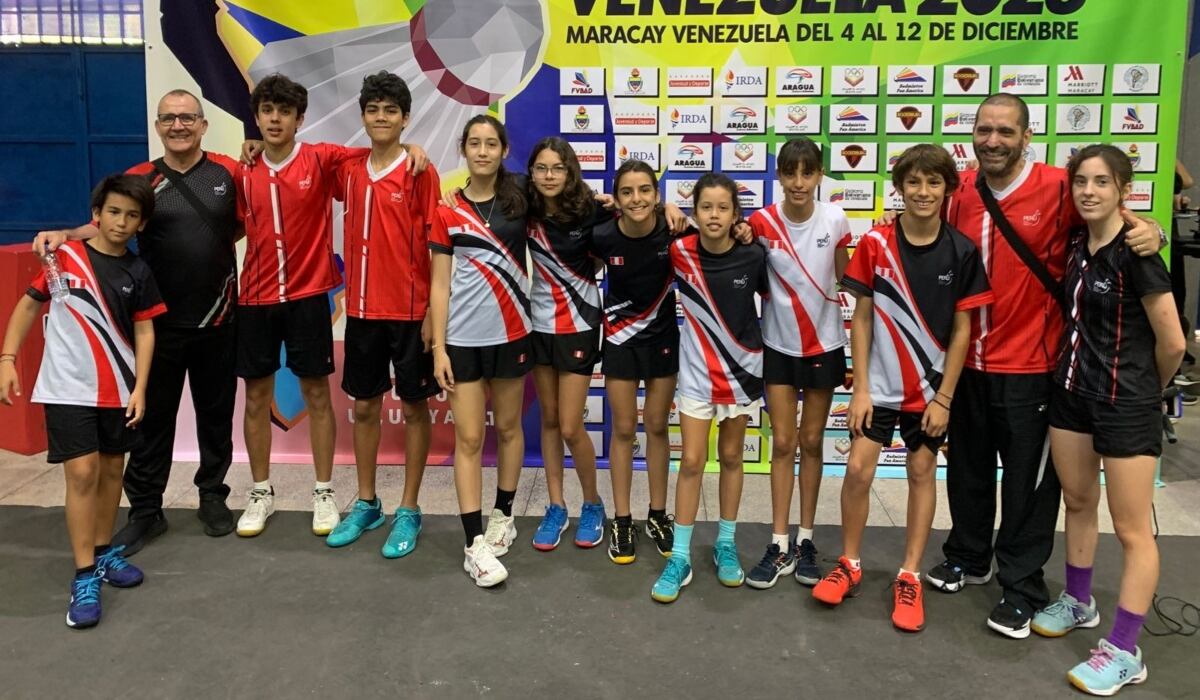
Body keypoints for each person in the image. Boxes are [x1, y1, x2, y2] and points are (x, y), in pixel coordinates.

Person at [918, 93, 1164, 638]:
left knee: (1029, 487)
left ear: (1027, 136)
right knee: (968, 469)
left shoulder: (1058, 186)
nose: (994, 141)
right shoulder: (960, 191)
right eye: (984, 130)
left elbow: (1111, 218)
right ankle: (969, 553)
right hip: (967, 361)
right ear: (972, 134)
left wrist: (1153, 230)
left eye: (1006, 131)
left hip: (1032, 364)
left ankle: (1024, 585)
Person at [33, 89, 242, 553]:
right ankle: (146, 510)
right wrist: (65, 233)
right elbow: (108, 224)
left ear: (203, 125)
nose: (178, 125)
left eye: (188, 118)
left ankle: (212, 496)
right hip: (153, 324)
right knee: (149, 424)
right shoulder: (140, 178)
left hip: (219, 318)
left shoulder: (229, 172)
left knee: (215, 416)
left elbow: (242, 224)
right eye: (168, 118)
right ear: (158, 126)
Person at [811, 145, 993, 632]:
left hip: (931, 392)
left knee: (920, 470)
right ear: (899, 187)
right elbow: (862, 319)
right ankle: (850, 563)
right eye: (913, 182)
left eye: (934, 183)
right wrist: (862, 389)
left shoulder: (962, 251)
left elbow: (962, 332)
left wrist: (944, 398)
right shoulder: (875, 244)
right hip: (881, 390)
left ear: (948, 189)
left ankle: (909, 574)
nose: (923, 192)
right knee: (857, 470)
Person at [1030, 145, 1184, 696]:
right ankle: (1078, 601)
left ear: (1123, 189)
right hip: (1072, 394)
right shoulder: (1077, 243)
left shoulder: (1139, 253)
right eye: (1081, 183)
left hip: (1126, 403)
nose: (1089, 191)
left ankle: (1124, 650)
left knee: (1132, 529)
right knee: (1076, 502)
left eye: (1101, 182)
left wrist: (1148, 391)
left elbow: (1172, 341)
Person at [1, 175, 166, 628]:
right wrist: (8, 357)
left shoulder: (139, 271)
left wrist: (140, 388)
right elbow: (29, 305)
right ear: (97, 215)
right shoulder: (65, 258)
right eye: (114, 212)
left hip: (118, 387)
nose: (121, 222)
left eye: (132, 216)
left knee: (113, 469)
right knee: (82, 471)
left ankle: (101, 551)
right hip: (66, 388)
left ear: (141, 225)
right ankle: (82, 576)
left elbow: (147, 331)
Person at [234, 74, 367, 538]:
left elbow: (375, 156)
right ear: (257, 116)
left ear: (299, 119)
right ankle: (260, 491)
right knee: (256, 397)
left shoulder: (321, 158)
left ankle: (325, 491)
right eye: (267, 110)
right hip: (254, 299)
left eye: (284, 111)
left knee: (316, 396)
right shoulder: (242, 170)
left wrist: (413, 151)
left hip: (310, 297)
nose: (275, 119)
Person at [322, 72, 440, 557]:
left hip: (411, 312)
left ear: (405, 118)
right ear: (363, 116)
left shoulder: (419, 171)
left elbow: (437, 243)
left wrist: (434, 309)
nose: (382, 118)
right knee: (366, 406)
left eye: (392, 110)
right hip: (364, 312)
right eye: (374, 110)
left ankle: (409, 508)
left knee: (415, 408)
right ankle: (367, 502)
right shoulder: (348, 169)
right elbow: (298, 158)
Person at [650, 172, 768, 603]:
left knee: (733, 457)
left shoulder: (754, 256)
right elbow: (638, 218)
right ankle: (679, 556)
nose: (714, 215)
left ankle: (725, 544)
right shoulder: (679, 251)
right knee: (694, 461)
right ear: (694, 211)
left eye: (723, 207)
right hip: (697, 375)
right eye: (706, 207)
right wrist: (665, 208)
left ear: (736, 213)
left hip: (741, 373)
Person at [428, 115, 531, 587]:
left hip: (513, 334)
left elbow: (573, 209)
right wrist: (440, 349)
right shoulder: (447, 210)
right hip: (463, 342)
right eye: (475, 143)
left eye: (492, 143)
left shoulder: (521, 200)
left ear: (503, 150)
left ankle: (503, 516)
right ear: (464, 150)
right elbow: (440, 284)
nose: (483, 151)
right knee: (468, 440)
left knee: (509, 429)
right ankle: (474, 544)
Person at [745, 137, 851, 589]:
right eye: (790, 173)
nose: (799, 182)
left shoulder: (836, 218)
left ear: (820, 174)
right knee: (783, 443)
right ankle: (779, 542)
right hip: (778, 346)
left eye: (808, 173)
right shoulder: (761, 221)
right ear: (779, 176)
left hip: (825, 345)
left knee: (811, 442)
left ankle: (807, 540)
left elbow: (849, 278)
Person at [591, 161, 679, 564]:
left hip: (662, 341)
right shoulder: (604, 235)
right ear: (617, 198)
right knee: (624, 429)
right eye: (627, 192)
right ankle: (622, 519)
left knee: (658, 426)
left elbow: (721, 235)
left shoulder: (673, 230)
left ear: (656, 195)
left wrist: (678, 210)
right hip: (620, 342)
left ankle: (658, 515)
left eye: (645, 190)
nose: (637, 198)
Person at [525, 137, 608, 551]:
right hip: (537, 324)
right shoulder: (522, 207)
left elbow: (634, 218)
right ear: (532, 173)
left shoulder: (591, 208)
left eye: (557, 168)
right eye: (541, 168)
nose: (549, 176)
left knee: (572, 425)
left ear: (570, 171)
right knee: (551, 420)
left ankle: (592, 504)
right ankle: (556, 505)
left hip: (578, 323)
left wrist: (666, 206)